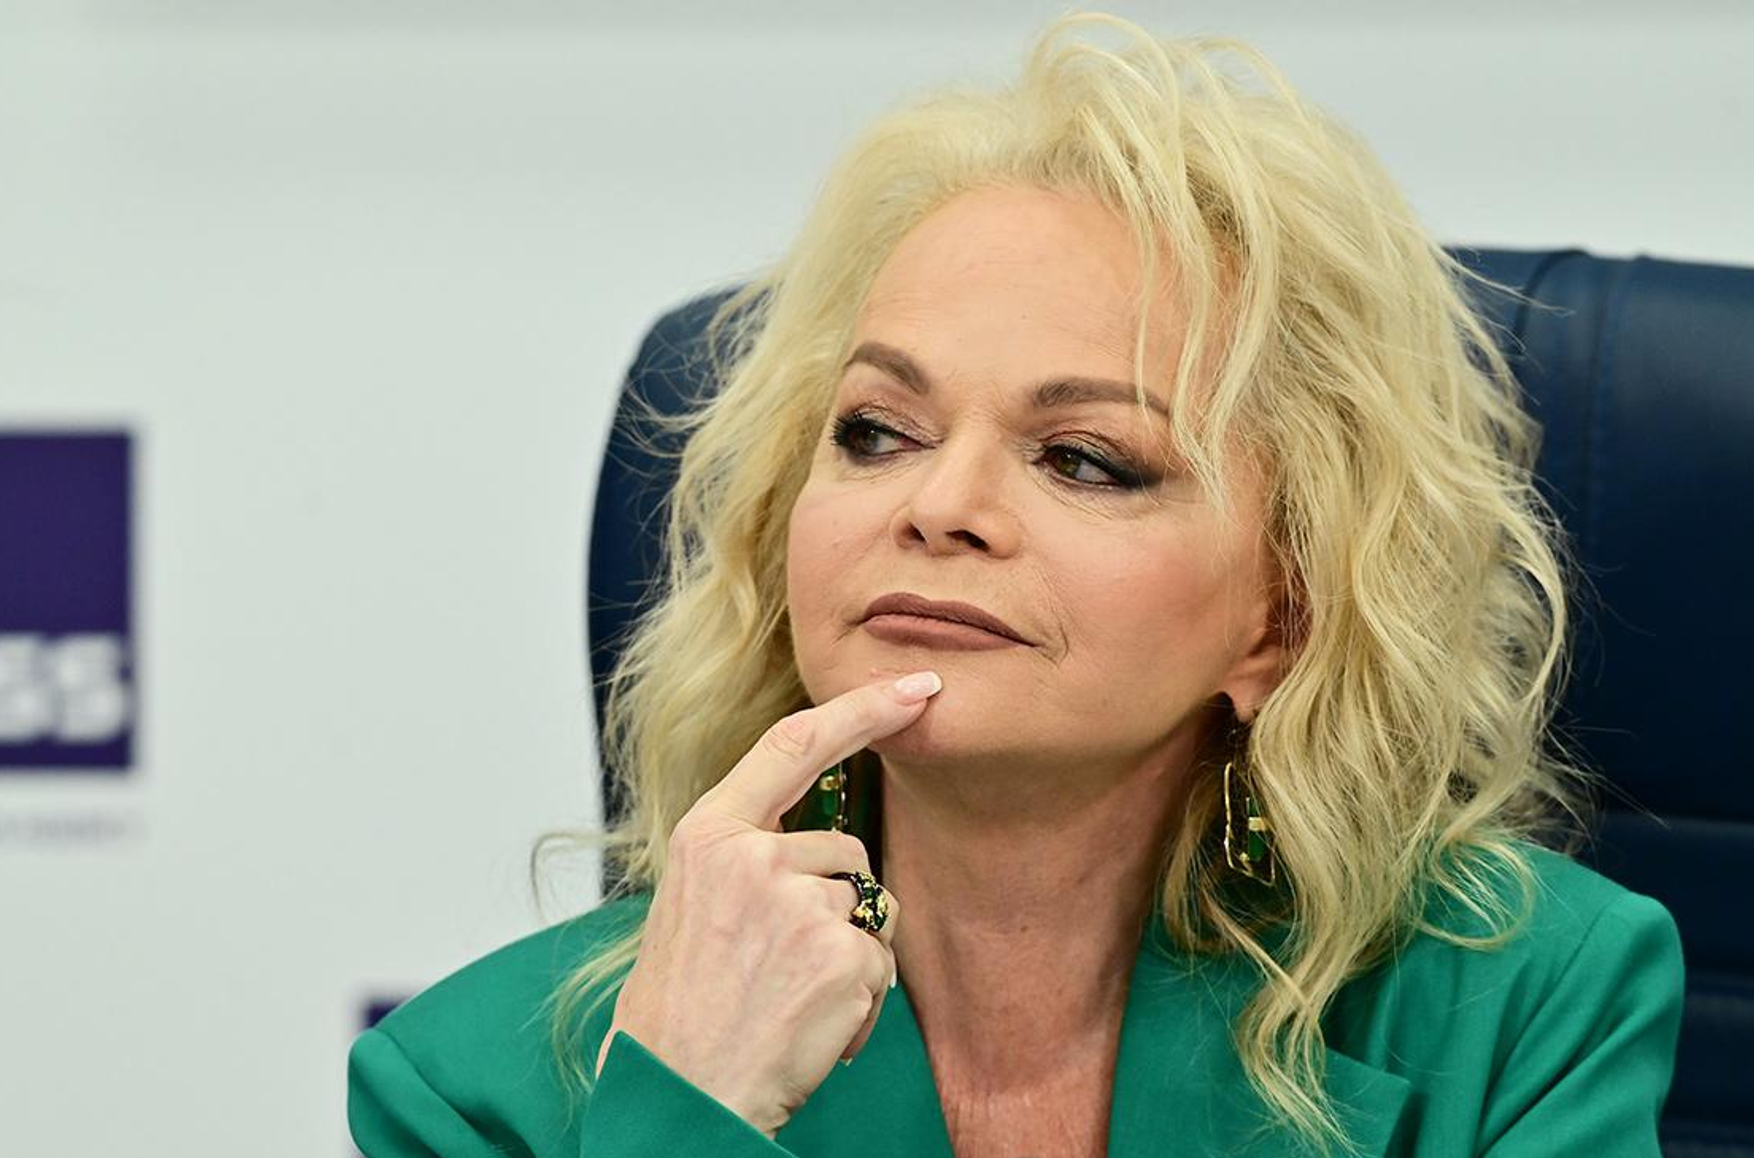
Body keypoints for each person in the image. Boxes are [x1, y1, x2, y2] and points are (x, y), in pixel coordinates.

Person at [347, 10, 1684, 1157]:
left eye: (1084, 458)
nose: (938, 507)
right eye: (877, 431)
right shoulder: (473, 1086)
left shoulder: (1525, 1006)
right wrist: (684, 1109)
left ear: (1280, 615)